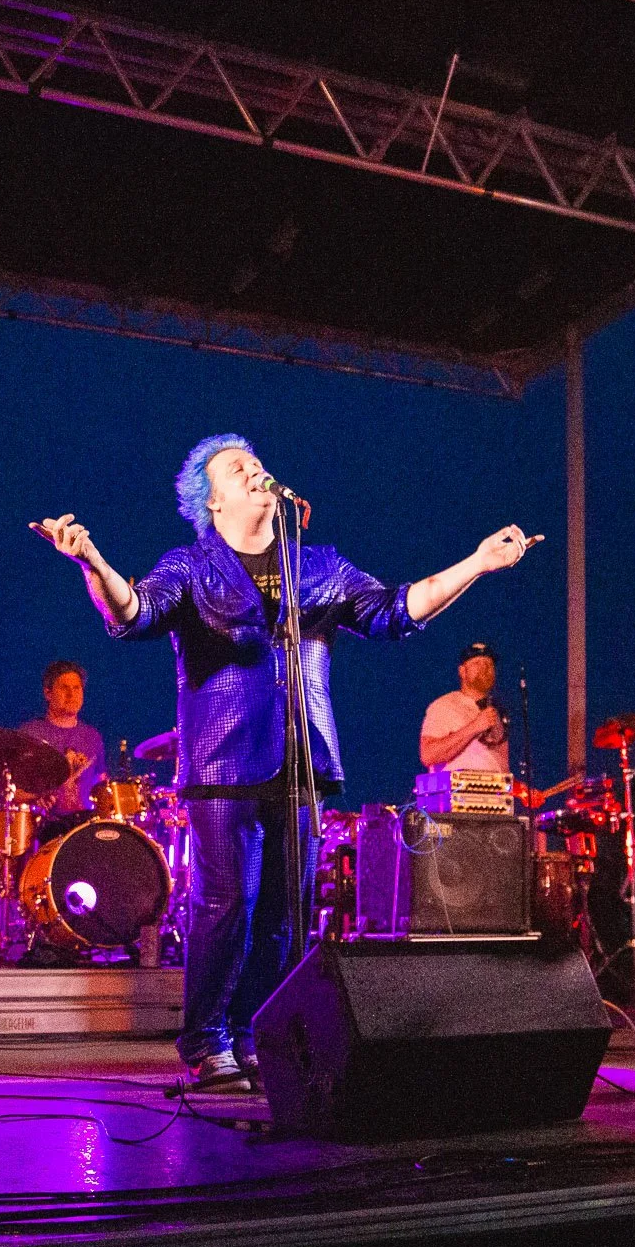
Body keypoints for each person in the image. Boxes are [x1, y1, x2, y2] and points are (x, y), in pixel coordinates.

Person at [36, 433, 540, 1089]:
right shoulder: (191, 565)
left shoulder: (319, 565)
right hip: (223, 767)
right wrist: (93, 563)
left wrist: (476, 563)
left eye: (256, 462)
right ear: (213, 501)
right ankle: (206, 1038)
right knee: (228, 902)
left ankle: (256, 1035)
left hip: (302, 762)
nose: (254, 471)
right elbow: (135, 612)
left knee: (285, 912)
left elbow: (393, 610)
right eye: (236, 469)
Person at [18, 659, 106, 819]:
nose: (71, 694)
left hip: (85, 825)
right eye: (64, 688)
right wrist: (35, 799)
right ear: (48, 693)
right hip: (43, 824)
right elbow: (10, 791)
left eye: (77, 688)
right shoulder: (30, 734)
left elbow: (101, 787)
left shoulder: (92, 736)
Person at [420, 641, 510, 774]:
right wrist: (475, 727)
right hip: (457, 787)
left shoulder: (497, 711)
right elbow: (428, 755)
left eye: (489, 664)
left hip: (495, 787)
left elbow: (501, 764)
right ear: (462, 671)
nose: (484, 668)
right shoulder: (444, 705)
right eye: (477, 663)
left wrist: (519, 786)